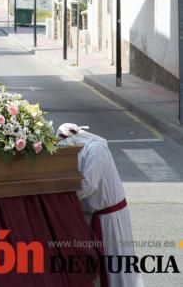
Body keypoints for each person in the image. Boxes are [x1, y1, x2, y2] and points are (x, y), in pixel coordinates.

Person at [57, 123, 144, 287]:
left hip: (108, 218)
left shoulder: (96, 149)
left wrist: (65, 200)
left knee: (115, 261)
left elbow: (89, 184)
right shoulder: (80, 149)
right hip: (90, 215)